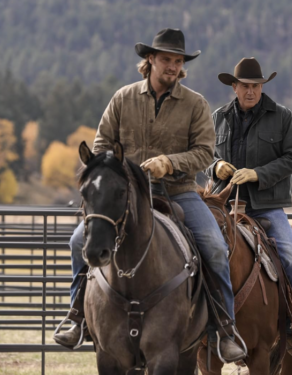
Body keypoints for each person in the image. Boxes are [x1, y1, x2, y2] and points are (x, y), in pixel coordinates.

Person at [54, 28, 245, 362]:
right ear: (150, 60)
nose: (172, 66)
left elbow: (204, 153)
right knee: (76, 241)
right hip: (125, 195)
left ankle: (224, 328)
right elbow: (100, 147)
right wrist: (121, 170)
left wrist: (169, 163)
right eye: (166, 60)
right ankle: (76, 316)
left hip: (179, 191)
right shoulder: (123, 98)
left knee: (214, 247)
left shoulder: (195, 104)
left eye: (178, 61)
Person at [207, 57, 292, 348]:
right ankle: (193, 325)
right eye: (245, 86)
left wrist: (257, 174)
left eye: (256, 86)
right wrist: (216, 167)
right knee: (189, 252)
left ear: (262, 87)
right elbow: (203, 156)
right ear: (234, 87)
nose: (251, 91)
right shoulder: (217, 117)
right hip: (221, 205)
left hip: (265, 205)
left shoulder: (282, 116)